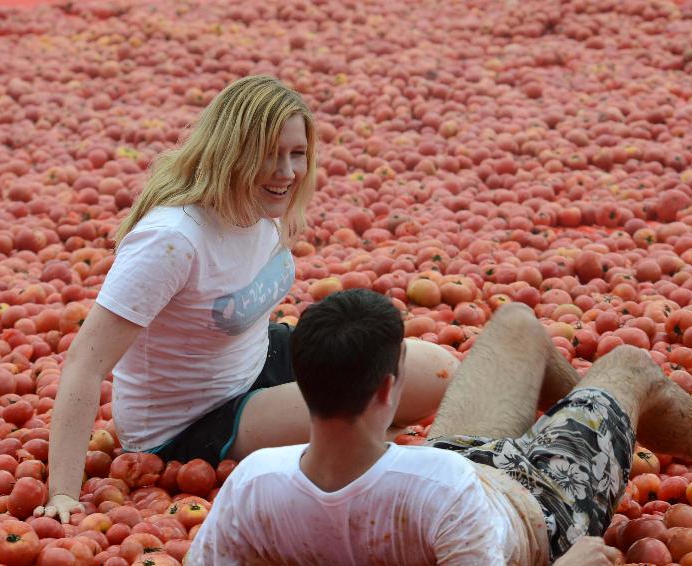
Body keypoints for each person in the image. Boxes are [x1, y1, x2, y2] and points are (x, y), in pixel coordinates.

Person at [34, 76, 459, 523]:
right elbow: (85, 361)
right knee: (363, 421)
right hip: (191, 419)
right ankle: (357, 446)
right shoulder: (172, 240)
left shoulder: (264, 209)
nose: (287, 171)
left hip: (257, 360)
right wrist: (63, 491)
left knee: (435, 371)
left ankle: (344, 437)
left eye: (297, 154)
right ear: (231, 151)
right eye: (269, 155)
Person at [187, 289, 692, 565]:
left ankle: (604, 427)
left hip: (463, 462)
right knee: (630, 366)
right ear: (391, 387)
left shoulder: (252, 486)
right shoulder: (437, 490)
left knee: (518, 323)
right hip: (545, 506)